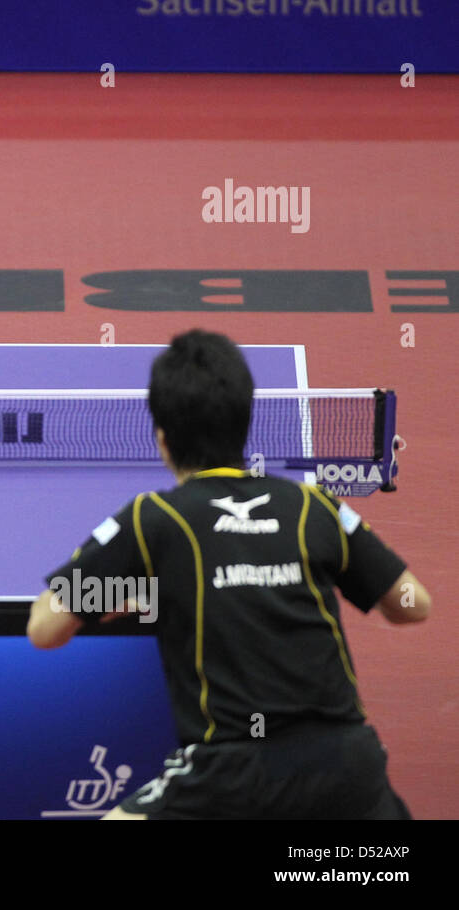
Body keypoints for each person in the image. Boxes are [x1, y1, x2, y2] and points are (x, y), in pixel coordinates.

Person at [27, 329, 429, 820]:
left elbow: (45, 628)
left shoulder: (154, 518)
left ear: (163, 438)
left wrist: (146, 592)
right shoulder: (314, 506)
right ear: (247, 422)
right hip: (346, 766)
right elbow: (413, 605)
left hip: (232, 774)